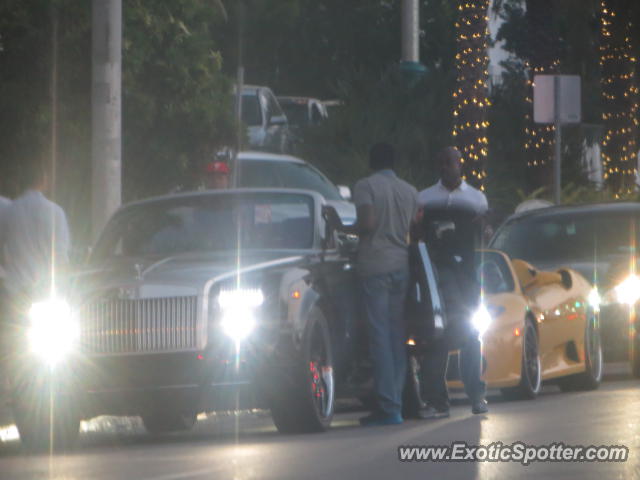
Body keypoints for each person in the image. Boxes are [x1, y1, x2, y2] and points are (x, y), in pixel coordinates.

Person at [327, 142, 419, 426]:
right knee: (396, 337)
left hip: (375, 266)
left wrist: (339, 225)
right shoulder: (410, 191)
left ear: (371, 162)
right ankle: (397, 403)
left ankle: (388, 406)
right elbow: (415, 228)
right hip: (400, 265)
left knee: (379, 337)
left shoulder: (366, 186)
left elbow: (366, 223)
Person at [417, 146, 489, 417]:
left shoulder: (476, 198)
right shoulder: (424, 198)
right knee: (437, 336)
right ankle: (437, 401)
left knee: (471, 333)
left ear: (461, 165)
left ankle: (477, 396)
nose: (446, 167)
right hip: (435, 278)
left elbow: (484, 235)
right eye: (442, 163)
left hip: (468, 278)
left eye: (451, 163)